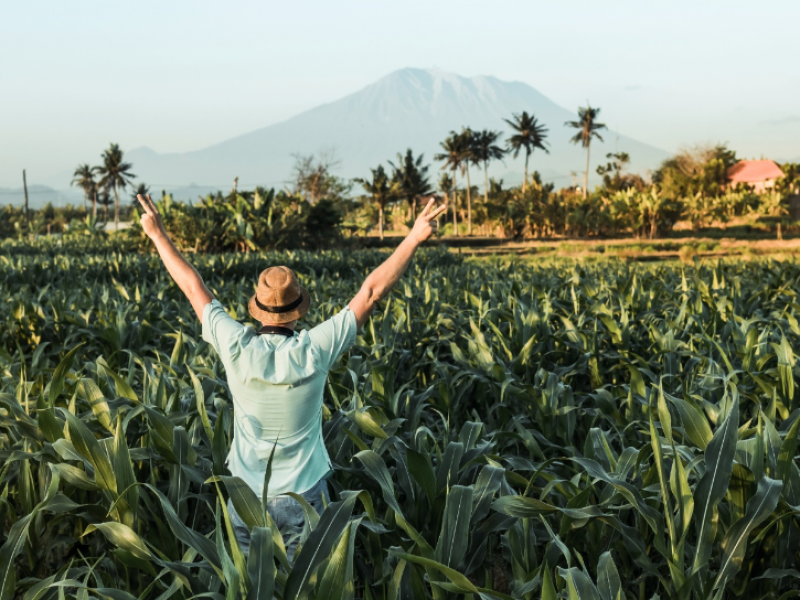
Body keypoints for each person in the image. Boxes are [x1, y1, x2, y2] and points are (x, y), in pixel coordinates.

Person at [135, 193, 446, 559]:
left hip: (246, 496)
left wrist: (157, 235)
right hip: (304, 497)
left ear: (257, 309)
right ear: (297, 311)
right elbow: (372, 291)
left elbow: (192, 286)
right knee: (306, 586)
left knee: (254, 586)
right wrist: (412, 238)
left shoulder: (235, 345)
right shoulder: (315, 349)